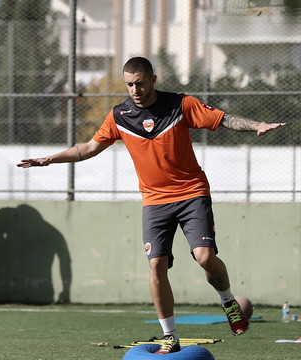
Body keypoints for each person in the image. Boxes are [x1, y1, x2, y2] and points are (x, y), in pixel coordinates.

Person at [17, 57, 286, 354]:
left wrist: (257, 125)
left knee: (205, 258)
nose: (135, 89)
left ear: (153, 79)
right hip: (155, 201)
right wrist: (50, 158)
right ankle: (169, 335)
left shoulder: (180, 105)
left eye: (140, 83)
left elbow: (222, 119)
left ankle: (227, 301)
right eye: (130, 84)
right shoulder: (120, 115)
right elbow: (90, 148)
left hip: (191, 193)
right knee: (156, 265)